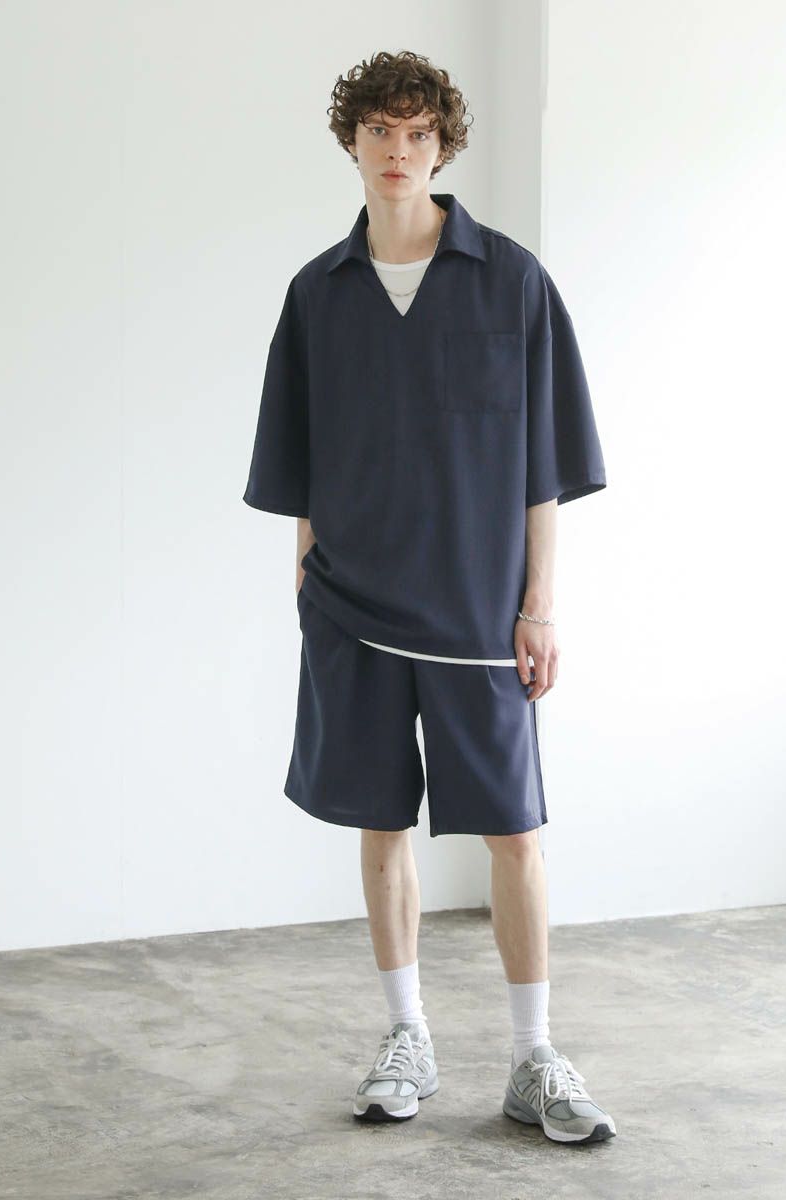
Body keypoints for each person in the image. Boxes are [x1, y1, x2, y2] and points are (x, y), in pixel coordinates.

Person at [242, 49, 614, 1144]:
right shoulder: (317, 294)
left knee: (513, 832)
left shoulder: (512, 282)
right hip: (352, 608)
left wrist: (539, 606)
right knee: (380, 823)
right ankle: (406, 1034)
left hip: (478, 615)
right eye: (379, 133)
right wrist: (307, 584)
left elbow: (545, 468)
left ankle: (534, 1057)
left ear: (443, 147)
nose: (397, 152)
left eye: (417, 134)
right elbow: (298, 462)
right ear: (352, 143)